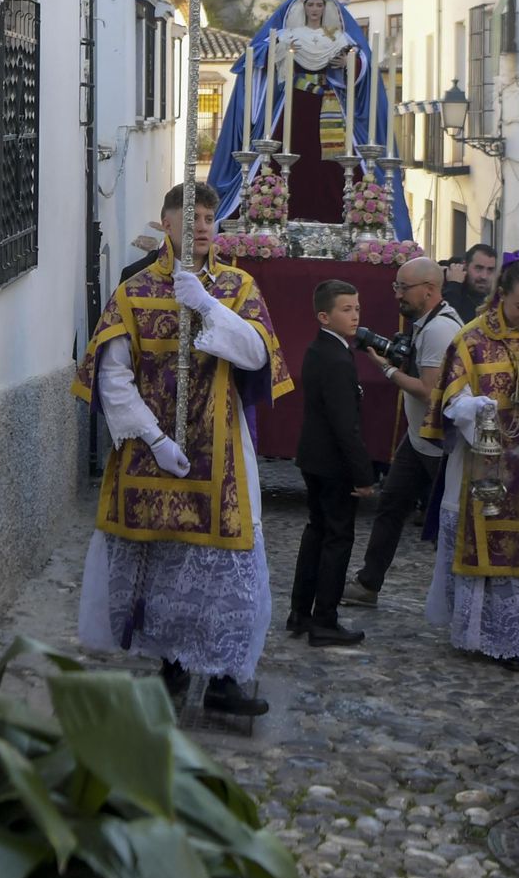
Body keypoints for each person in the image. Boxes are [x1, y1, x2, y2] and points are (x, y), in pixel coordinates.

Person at [74, 181, 292, 716]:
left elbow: (256, 355)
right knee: (164, 562)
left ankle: (224, 678)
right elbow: (113, 375)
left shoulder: (238, 286)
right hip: (152, 454)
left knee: (227, 564)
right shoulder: (133, 292)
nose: (201, 227)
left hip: (222, 451)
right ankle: (169, 662)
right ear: (167, 224)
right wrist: (152, 437)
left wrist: (209, 307)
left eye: (209, 219)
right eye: (191, 217)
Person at [423, 250, 519, 669]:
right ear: (502, 294)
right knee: (478, 537)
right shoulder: (470, 338)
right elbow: (451, 396)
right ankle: (477, 634)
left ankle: (517, 638)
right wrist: (472, 407)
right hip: (478, 462)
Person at [205, 0, 411, 238]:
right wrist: (278, 51)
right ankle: (267, 216)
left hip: (329, 107)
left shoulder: (339, 38)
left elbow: (362, 66)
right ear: (303, 8)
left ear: (326, 8)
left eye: (319, 5)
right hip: (293, 106)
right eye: (310, 4)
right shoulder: (287, 35)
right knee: (279, 157)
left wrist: (349, 64)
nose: (315, 9)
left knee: (335, 165)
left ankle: (344, 222)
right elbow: (256, 55)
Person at [342, 256, 465, 607]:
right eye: (396, 286)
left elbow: (428, 391)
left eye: (404, 288)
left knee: (448, 522)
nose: (397, 294)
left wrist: (386, 369)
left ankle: (461, 597)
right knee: (391, 506)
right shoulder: (427, 322)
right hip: (419, 439)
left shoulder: (439, 330)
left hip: (438, 444)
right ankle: (368, 584)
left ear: (429, 290)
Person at [288, 281, 373, 646]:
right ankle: (324, 619)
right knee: (337, 539)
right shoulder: (337, 358)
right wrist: (363, 474)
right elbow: (345, 424)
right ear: (324, 316)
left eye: (357, 308)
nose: (355, 316)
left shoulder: (319, 349)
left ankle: (300, 612)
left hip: (314, 457)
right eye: (346, 309)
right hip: (334, 463)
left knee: (317, 533)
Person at [441, 243, 498, 323]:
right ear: (465, 266)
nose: (484, 276)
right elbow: (445, 321)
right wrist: (454, 284)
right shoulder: (452, 290)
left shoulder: (497, 297)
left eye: (490, 270)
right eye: (478, 268)